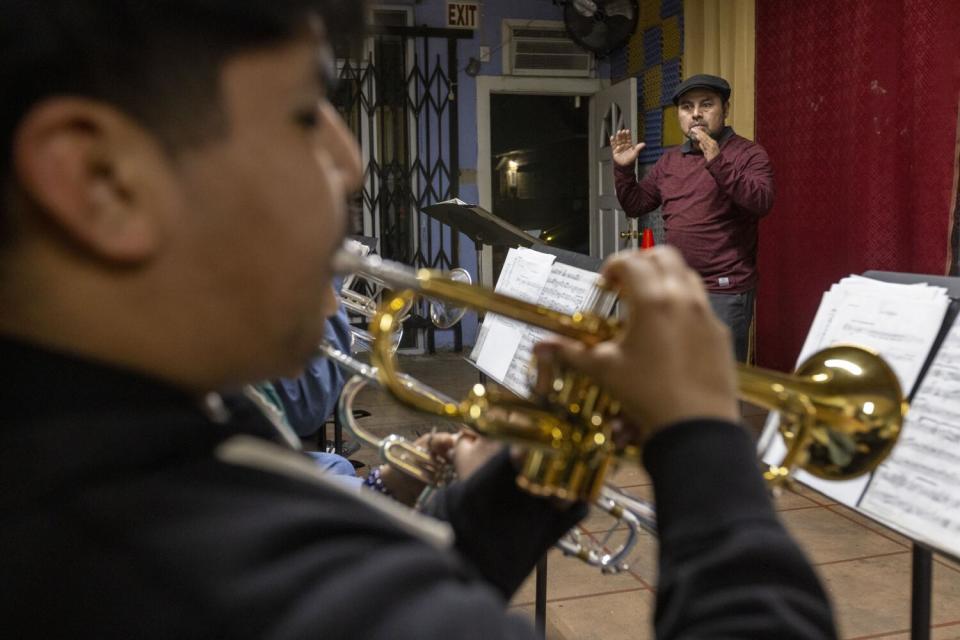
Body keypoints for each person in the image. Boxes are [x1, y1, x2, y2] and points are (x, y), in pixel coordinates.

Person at [0, 3, 835, 639]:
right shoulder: (197, 562)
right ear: (100, 179)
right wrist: (697, 434)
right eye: (302, 113)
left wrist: (535, 471)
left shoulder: (144, 452)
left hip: (725, 279)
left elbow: (386, 575)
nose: (349, 160)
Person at [611, 73, 775, 362]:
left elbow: (761, 202)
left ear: (725, 109)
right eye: (687, 107)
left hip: (725, 292)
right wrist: (624, 171)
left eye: (706, 104)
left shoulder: (748, 154)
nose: (696, 113)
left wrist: (717, 161)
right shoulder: (670, 160)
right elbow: (636, 205)